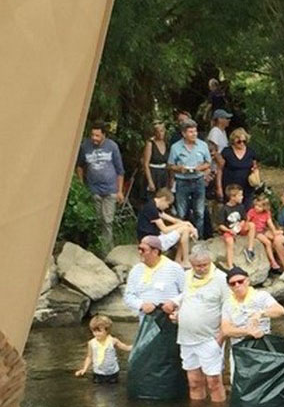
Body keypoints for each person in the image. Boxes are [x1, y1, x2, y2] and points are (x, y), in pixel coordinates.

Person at [169, 245, 229, 402]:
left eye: (205, 265)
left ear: (210, 261)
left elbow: (229, 308)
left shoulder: (221, 279)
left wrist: (221, 338)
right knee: (194, 382)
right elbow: (186, 297)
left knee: (214, 382)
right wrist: (177, 312)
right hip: (186, 338)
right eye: (197, 266)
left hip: (210, 338)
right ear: (191, 263)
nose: (201, 269)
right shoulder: (187, 275)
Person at [75, 120, 125, 250]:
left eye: (97, 135)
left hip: (110, 190)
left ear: (104, 135)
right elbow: (80, 166)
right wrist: (81, 184)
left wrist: (120, 191)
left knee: (107, 221)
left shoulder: (112, 146)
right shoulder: (85, 146)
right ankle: (95, 247)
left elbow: (120, 170)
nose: (94, 138)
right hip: (93, 190)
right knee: (96, 221)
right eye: (92, 135)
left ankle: (107, 250)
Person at [220, 266, 284, 346]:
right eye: (233, 284)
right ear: (229, 286)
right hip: (239, 348)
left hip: (262, 344)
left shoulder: (261, 295)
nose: (237, 285)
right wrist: (248, 332)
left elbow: (280, 310)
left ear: (247, 281)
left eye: (240, 281)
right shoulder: (227, 304)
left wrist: (261, 313)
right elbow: (226, 329)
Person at [124, 236, 186, 319]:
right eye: (139, 248)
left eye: (143, 250)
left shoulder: (174, 268)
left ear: (155, 252)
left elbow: (187, 292)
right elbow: (128, 296)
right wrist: (141, 304)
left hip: (169, 318)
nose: (139, 252)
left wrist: (174, 302)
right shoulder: (136, 270)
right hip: (146, 319)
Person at [167, 119, 212, 233]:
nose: (194, 134)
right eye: (191, 132)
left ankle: (199, 237)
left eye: (195, 131)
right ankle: (181, 236)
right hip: (182, 181)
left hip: (198, 180)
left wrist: (200, 168)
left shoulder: (202, 145)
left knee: (199, 212)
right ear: (184, 133)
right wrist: (180, 168)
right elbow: (170, 165)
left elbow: (208, 162)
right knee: (181, 212)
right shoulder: (175, 147)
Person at [135, 187, 197, 267]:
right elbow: (165, 230)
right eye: (168, 204)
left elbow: (173, 220)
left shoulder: (153, 206)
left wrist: (189, 224)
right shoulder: (152, 209)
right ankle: (185, 260)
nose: (167, 207)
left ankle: (178, 260)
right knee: (185, 230)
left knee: (185, 228)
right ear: (163, 199)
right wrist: (184, 226)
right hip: (153, 240)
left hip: (155, 236)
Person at [74, 314, 132, 383]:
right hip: (98, 373)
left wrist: (137, 346)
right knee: (98, 391)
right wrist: (84, 369)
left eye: (99, 331)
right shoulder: (91, 343)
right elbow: (89, 357)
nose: (96, 334)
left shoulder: (113, 341)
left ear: (107, 330)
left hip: (112, 373)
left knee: (112, 390)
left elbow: (126, 348)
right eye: (94, 331)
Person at [215, 127, 258, 212]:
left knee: (246, 211)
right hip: (230, 187)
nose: (242, 143)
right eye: (239, 141)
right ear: (233, 141)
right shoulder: (226, 152)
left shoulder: (251, 152)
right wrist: (219, 187)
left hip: (247, 188)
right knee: (230, 212)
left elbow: (255, 167)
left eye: (244, 141)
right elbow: (219, 170)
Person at [215, 184, 248, 269]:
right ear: (233, 197)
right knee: (229, 241)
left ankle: (250, 249)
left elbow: (244, 219)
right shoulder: (224, 209)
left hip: (239, 228)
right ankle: (230, 264)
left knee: (252, 225)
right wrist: (229, 231)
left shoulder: (241, 206)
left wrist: (242, 224)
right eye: (240, 195)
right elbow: (220, 225)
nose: (242, 197)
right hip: (229, 230)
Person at [245, 193, 281, 269]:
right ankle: (272, 261)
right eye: (256, 205)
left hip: (263, 230)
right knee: (268, 243)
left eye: (259, 206)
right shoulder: (252, 211)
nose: (256, 207)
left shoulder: (266, 213)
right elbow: (247, 222)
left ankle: (279, 255)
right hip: (256, 232)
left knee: (275, 237)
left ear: (265, 207)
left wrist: (274, 231)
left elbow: (270, 223)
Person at [142, 121, 169, 196]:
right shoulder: (150, 143)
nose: (160, 134)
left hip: (164, 174)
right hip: (153, 173)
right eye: (158, 132)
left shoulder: (166, 143)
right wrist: (150, 181)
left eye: (162, 131)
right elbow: (145, 164)